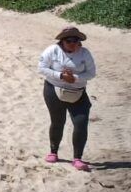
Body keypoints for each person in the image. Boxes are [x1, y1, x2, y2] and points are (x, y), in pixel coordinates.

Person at [39, 26, 96, 171]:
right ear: (62, 41)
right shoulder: (52, 50)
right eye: (68, 40)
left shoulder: (85, 53)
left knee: (81, 122)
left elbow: (91, 73)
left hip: (78, 92)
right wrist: (61, 76)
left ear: (79, 41)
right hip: (53, 90)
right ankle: (53, 152)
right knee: (58, 121)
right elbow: (42, 68)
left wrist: (74, 78)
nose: (72, 43)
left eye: (75, 40)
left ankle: (77, 158)